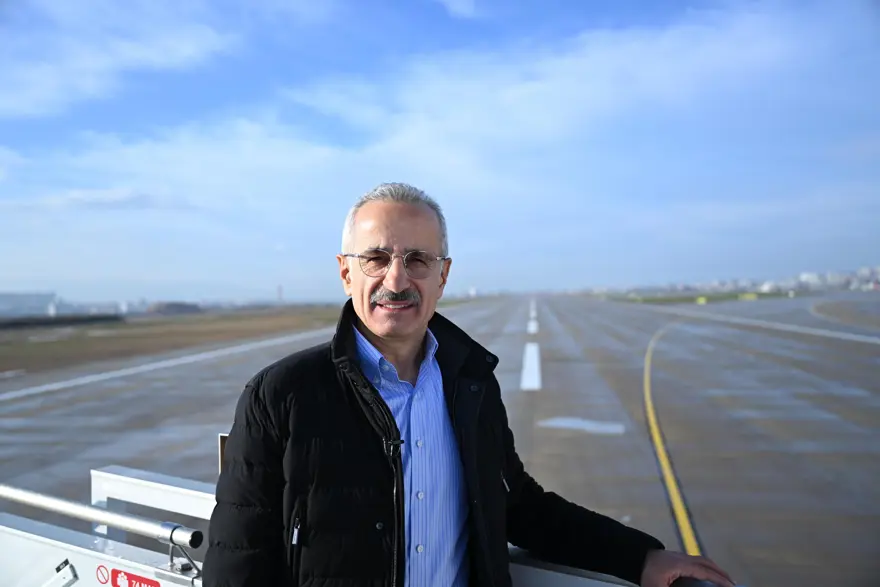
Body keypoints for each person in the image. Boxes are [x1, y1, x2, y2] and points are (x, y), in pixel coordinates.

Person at [202, 182, 736, 587]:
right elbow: (238, 562)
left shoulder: (471, 385)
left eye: (417, 260)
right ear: (346, 273)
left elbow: (519, 506)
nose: (396, 279)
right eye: (376, 259)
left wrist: (640, 557)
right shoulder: (281, 397)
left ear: (443, 275)